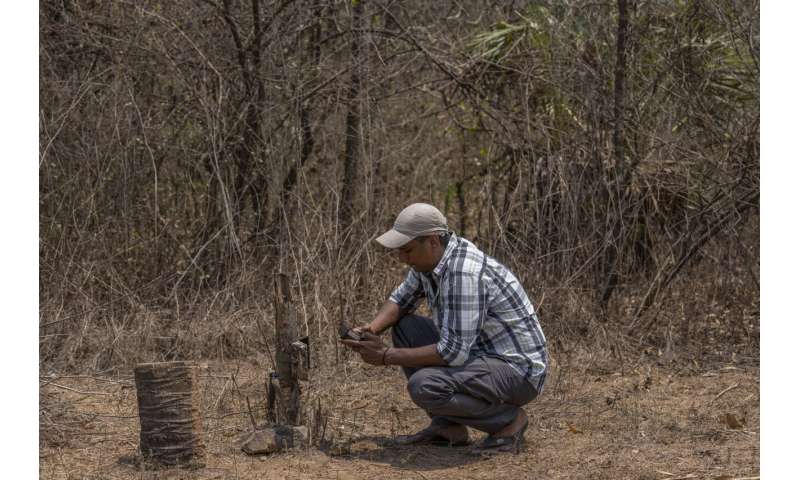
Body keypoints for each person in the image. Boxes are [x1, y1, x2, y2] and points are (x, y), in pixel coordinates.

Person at [341, 203, 548, 454]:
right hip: (482, 355)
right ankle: (447, 426)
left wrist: (385, 356)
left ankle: (508, 421)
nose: (403, 259)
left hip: (517, 371)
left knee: (425, 386)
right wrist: (370, 331)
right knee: (406, 327)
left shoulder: (463, 274)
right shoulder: (431, 261)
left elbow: (452, 353)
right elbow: (401, 299)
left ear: (432, 242)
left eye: (407, 250)